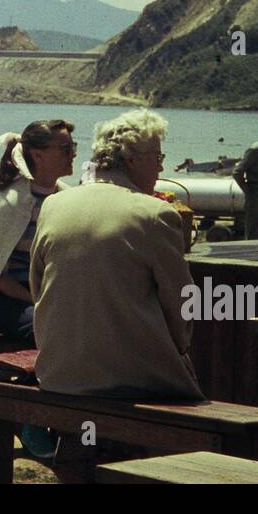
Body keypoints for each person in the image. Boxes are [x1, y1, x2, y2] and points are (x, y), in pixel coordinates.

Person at [29, 108, 202, 400]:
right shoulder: (155, 215)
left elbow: (37, 288)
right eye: (158, 158)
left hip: (57, 375)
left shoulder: (54, 205)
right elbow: (183, 304)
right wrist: (179, 349)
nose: (161, 169)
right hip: (131, 380)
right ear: (132, 159)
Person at [0, 119, 76, 346]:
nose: (73, 155)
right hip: (7, 300)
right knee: (52, 328)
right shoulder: (10, 204)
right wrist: (39, 299)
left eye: (74, 147)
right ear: (38, 155)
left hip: (44, 295)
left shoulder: (67, 198)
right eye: (66, 149)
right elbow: (0, 278)